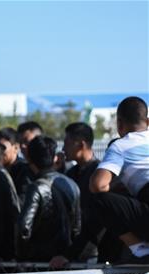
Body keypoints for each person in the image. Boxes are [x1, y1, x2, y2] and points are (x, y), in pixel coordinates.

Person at [89, 96, 149, 261]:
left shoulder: (121, 145)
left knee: (99, 199)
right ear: (148, 122)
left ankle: (141, 250)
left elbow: (98, 185)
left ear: (119, 124)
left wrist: (114, 188)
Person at [16, 135, 81, 262]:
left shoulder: (36, 187)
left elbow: (24, 228)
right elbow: (77, 227)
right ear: (54, 157)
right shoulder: (72, 184)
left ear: (29, 158)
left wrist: (22, 256)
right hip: (66, 261)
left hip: (41, 262)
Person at [62, 122, 119, 264]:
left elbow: (97, 218)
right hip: (72, 249)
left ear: (81, 145)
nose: (63, 149)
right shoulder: (70, 173)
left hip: (91, 251)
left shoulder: (99, 176)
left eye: (67, 143)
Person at [11, 121, 43, 194]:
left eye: (26, 141)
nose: (22, 146)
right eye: (20, 142)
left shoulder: (56, 167)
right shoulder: (18, 171)